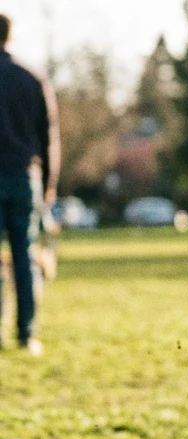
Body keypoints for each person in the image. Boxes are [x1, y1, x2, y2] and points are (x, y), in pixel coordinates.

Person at [0, 14, 59, 355]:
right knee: (24, 256)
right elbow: (48, 137)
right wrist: (49, 182)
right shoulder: (32, 79)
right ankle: (27, 333)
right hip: (24, 178)